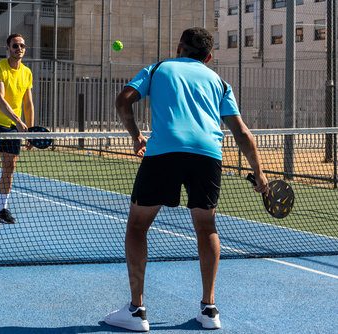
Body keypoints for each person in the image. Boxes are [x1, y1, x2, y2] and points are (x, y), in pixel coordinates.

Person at [104, 27, 269, 331]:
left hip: (163, 153)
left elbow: (122, 101)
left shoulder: (157, 69)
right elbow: (243, 134)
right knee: (207, 227)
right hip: (208, 155)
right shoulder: (219, 82)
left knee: (138, 226)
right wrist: (259, 173)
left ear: (178, 48)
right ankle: (209, 309)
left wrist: (136, 136)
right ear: (208, 57)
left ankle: (137, 312)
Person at [0, 33, 34, 228]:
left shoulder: (27, 72)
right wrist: (19, 122)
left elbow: (28, 103)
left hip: (14, 125)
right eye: (15, 45)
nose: (18, 48)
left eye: (21, 45)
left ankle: (3, 209)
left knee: (10, 167)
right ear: (7, 48)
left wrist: (30, 130)